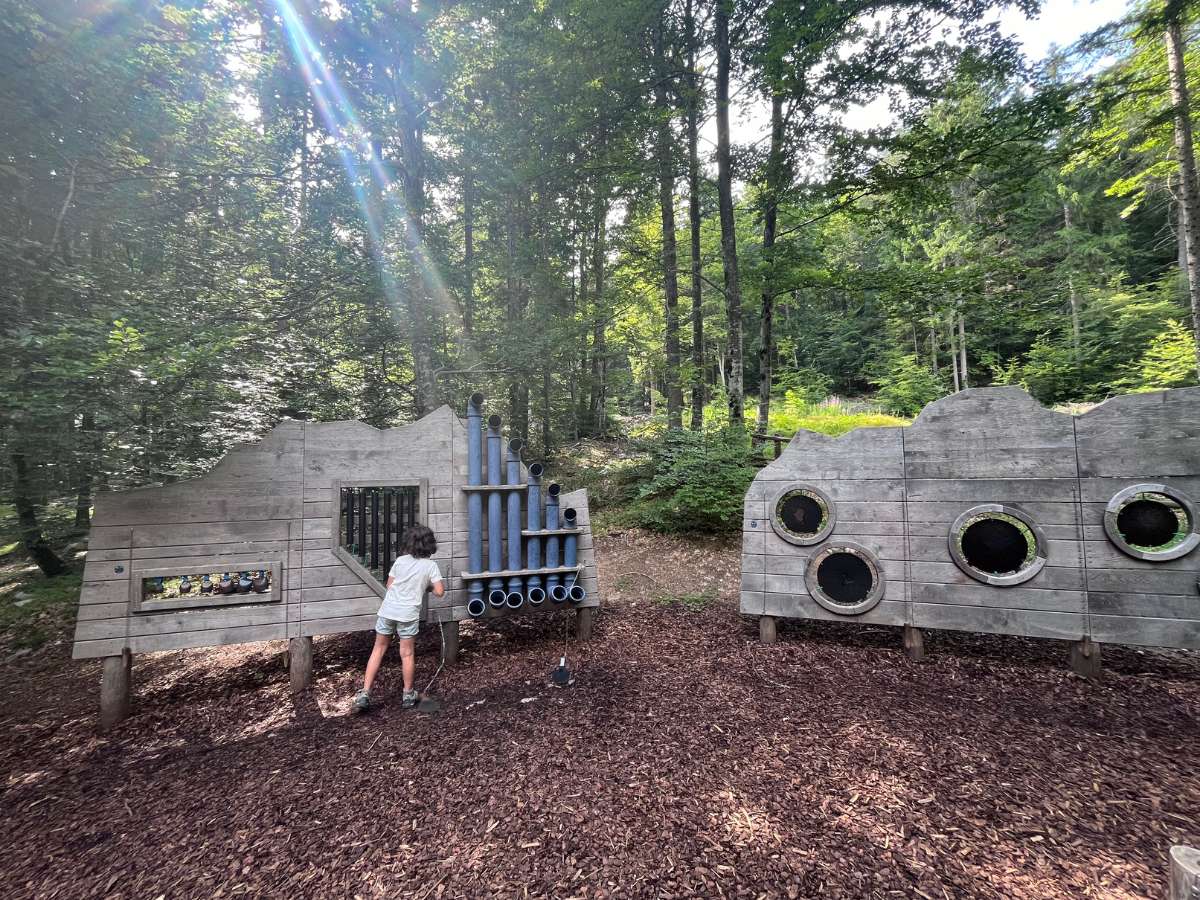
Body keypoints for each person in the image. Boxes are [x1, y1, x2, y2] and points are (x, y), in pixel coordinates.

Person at [354, 524, 443, 712]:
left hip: (388, 610)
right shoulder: (430, 566)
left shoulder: (401, 561)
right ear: (430, 544)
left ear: (409, 543)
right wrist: (427, 586)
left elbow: (389, 585)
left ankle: (364, 694)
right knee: (407, 654)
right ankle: (408, 694)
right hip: (407, 614)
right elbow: (439, 592)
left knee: (378, 649)